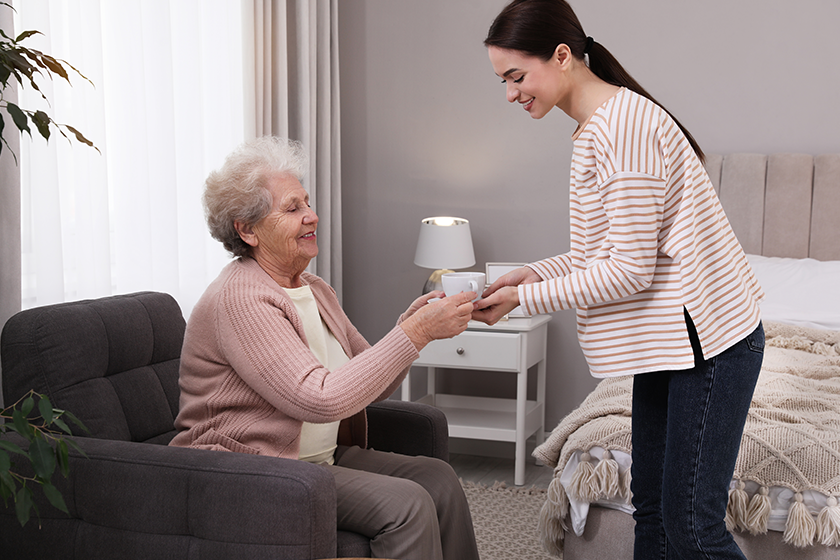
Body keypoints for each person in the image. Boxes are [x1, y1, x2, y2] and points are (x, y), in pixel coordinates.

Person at [475, 1, 765, 559]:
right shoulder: (597, 127)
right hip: (668, 342)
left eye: (516, 76)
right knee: (651, 508)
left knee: (691, 526)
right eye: (503, 81)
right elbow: (604, 254)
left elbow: (628, 272)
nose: (510, 93)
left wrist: (524, 298)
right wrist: (533, 274)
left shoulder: (623, 128)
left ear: (562, 56)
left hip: (709, 342)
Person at [170, 136, 480, 560]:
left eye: (308, 203)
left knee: (439, 479)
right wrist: (415, 334)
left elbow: (374, 384)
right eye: (292, 208)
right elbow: (320, 399)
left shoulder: (314, 289)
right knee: (407, 505)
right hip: (253, 470)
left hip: (315, 459)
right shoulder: (241, 299)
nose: (312, 216)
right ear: (247, 230)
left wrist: (408, 328)